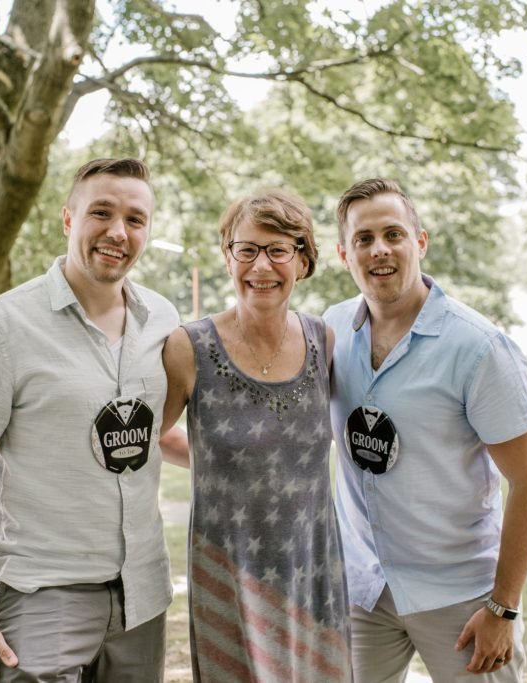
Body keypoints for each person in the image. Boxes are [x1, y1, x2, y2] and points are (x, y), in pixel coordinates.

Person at [0, 158, 180, 683]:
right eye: (102, 212)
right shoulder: (1, 327)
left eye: (136, 219)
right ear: (68, 219)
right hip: (40, 592)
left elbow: (151, 431)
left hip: (141, 593)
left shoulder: (163, 321)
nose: (118, 232)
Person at [325, 178, 527, 682]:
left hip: (463, 596)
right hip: (364, 591)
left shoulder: (480, 348)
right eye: (364, 238)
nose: (379, 249)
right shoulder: (331, 331)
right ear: (345, 253)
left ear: (419, 242)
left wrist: (503, 607)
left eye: (393, 234)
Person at [161, 189, 352, 682]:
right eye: (246, 249)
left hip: (313, 569)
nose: (261, 265)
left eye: (278, 250)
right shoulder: (189, 347)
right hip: (231, 573)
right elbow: (152, 435)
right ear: (228, 258)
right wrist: (216, 461)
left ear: (303, 260)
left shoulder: (323, 341)